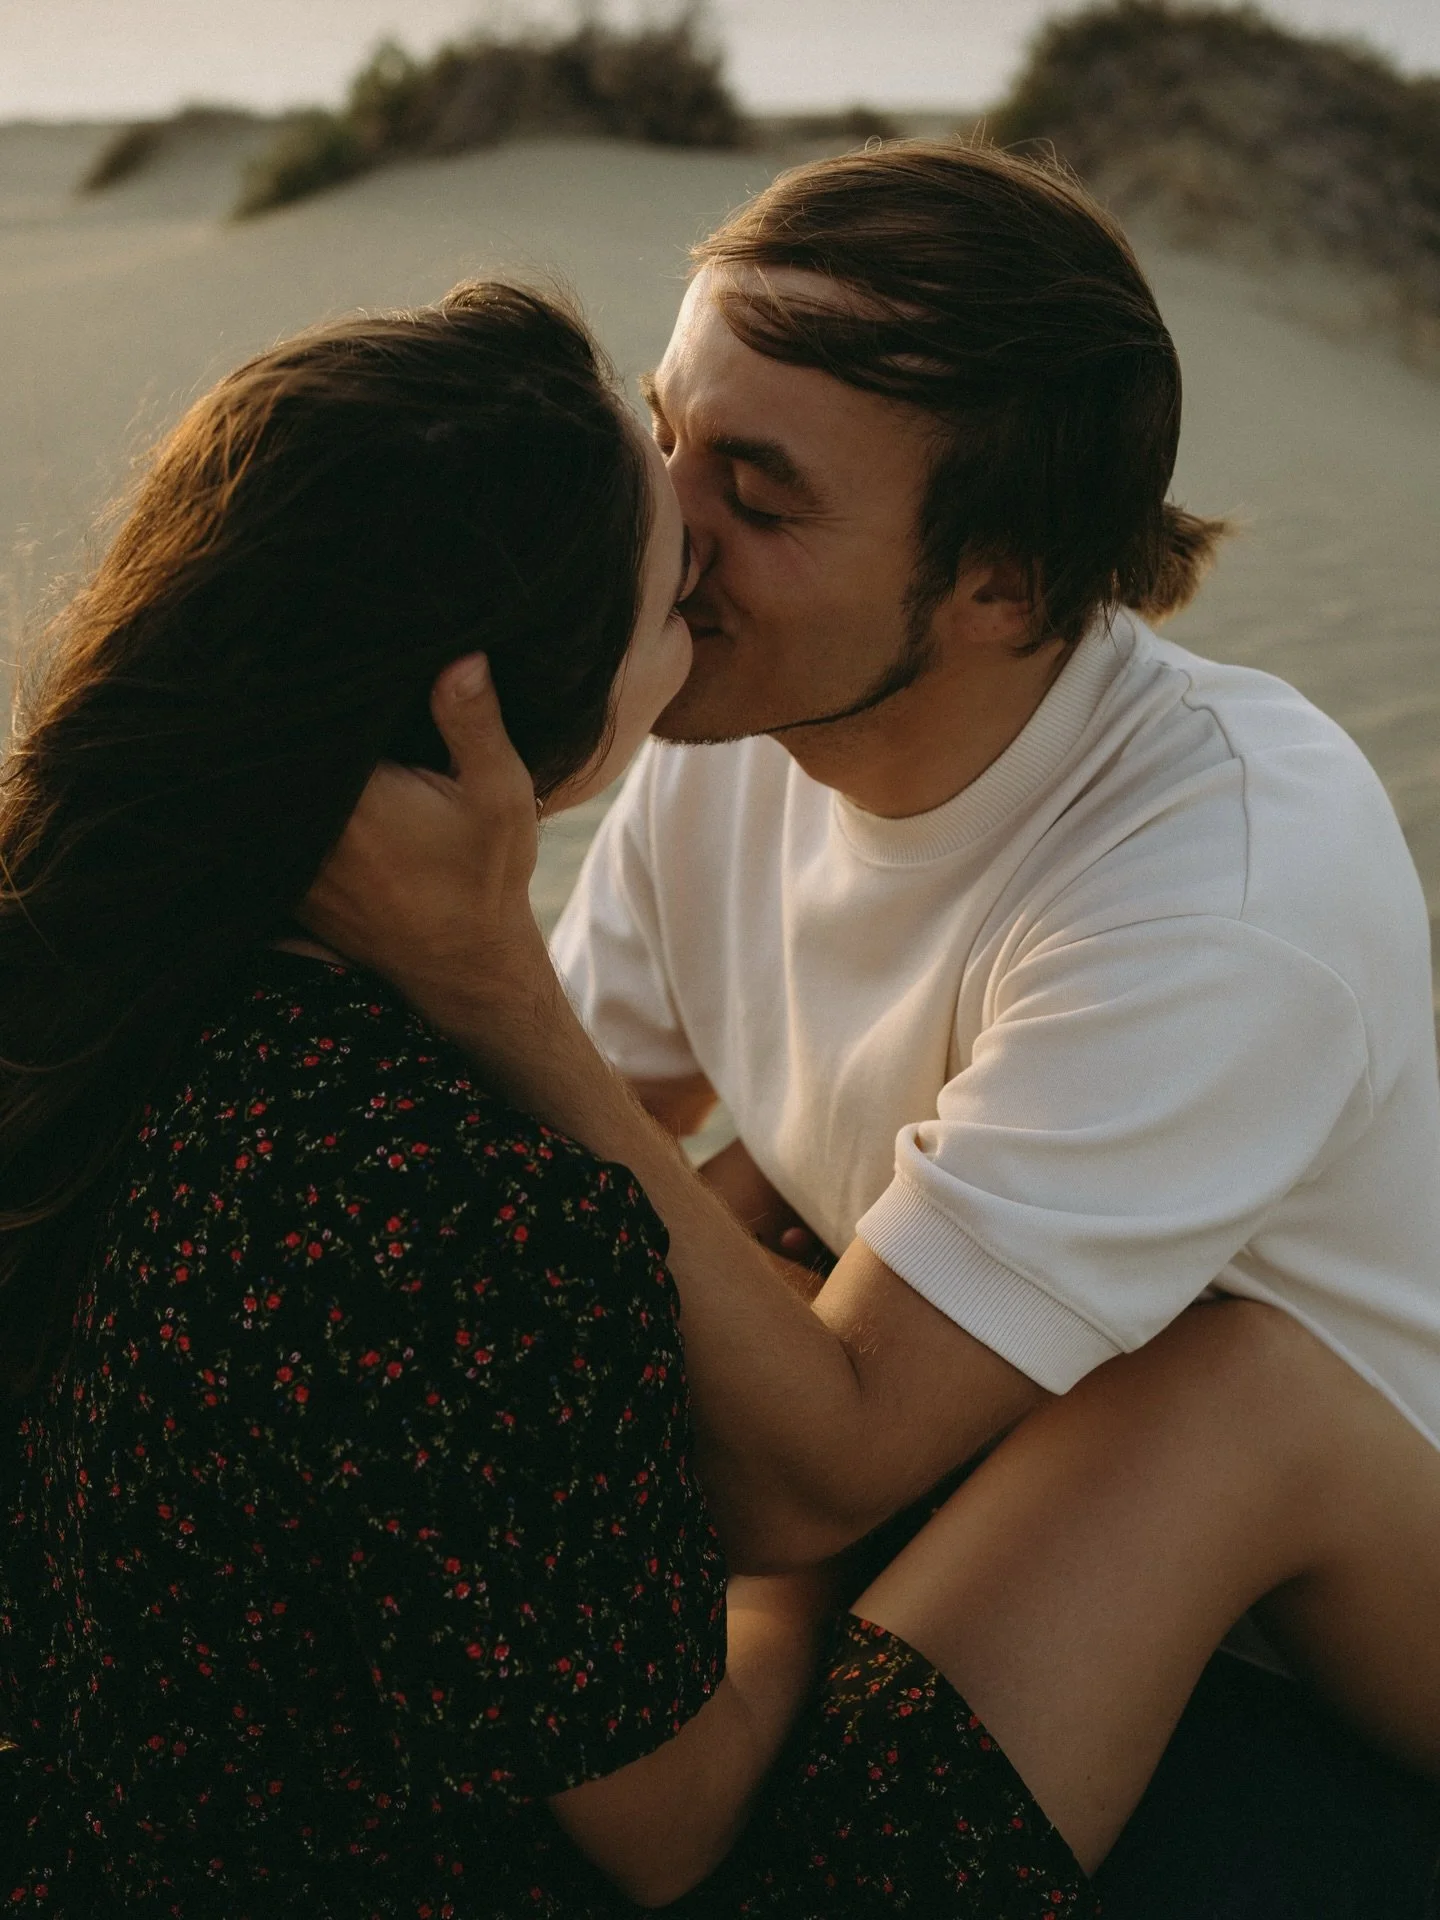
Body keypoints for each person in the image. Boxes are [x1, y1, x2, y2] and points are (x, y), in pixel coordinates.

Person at [299, 142, 1440, 1904]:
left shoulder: (1216, 877)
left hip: (1329, 1603)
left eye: (757, 493)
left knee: (1223, 1379)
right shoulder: (730, 732)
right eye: (665, 435)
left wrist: (479, 970)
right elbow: (596, 1129)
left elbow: (812, 1474)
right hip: (954, 1445)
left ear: (1006, 582)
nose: (669, 532)